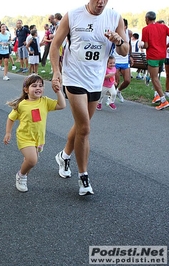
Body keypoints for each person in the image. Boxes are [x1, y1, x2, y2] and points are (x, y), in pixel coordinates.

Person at [50, 0, 129, 196]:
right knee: (85, 128)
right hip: (74, 77)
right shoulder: (74, 15)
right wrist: (56, 71)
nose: (101, 2)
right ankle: (83, 176)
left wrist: (118, 40)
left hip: (96, 80)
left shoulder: (114, 17)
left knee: (80, 126)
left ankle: (64, 156)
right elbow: (55, 44)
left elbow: (125, 50)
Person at [3, 74, 65, 192]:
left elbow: (62, 105)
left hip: (38, 139)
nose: (38, 88)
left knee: (30, 162)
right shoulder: (21, 105)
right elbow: (11, 118)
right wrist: (8, 133)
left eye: (41, 86)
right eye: (34, 85)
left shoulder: (45, 101)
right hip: (24, 137)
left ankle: (24, 174)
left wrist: (58, 92)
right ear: (26, 89)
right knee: (32, 160)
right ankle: (21, 175)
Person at [141, 11, 169, 110]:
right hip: (162, 55)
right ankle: (157, 95)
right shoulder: (164, 27)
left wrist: (142, 45)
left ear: (147, 18)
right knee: (157, 76)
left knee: (154, 78)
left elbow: (147, 45)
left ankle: (163, 100)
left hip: (153, 56)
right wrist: (166, 46)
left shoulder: (145, 29)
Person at [114, 19, 132, 103]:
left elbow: (129, 44)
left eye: (122, 26)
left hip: (125, 60)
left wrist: (130, 56)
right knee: (116, 81)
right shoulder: (115, 33)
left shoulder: (129, 33)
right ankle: (111, 97)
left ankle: (118, 91)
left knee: (127, 80)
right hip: (116, 60)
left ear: (126, 26)